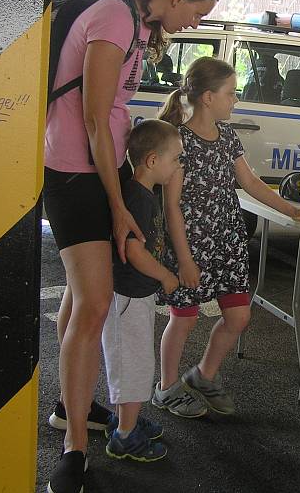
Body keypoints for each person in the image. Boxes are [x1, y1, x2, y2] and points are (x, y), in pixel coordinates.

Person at [44, 0, 220, 493]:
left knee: (80, 302)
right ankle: (75, 448)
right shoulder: (116, 16)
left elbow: (111, 113)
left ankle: (68, 409)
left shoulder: (141, 26)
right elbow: (95, 115)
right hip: (76, 175)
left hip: (101, 169)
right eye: (197, 10)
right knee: (95, 303)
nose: (195, 23)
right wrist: (118, 202)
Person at [155, 57, 300, 418]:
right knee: (183, 318)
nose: (235, 101)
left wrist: (292, 209)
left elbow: (250, 183)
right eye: (231, 93)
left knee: (239, 316)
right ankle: (166, 388)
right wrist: (183, 259)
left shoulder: (228, 136)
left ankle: (203, 375)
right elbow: (171, 207)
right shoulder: (179, 141)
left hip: (227, 242)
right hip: (191, 244)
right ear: (207, 98)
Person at [101, 119, 183, 462]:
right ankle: (124, 435)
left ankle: (126, 421)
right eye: (175, 159)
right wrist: (165, 274)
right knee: (133, 364)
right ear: (152, 161)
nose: (178, 165)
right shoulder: (139, 199)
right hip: (129, 299)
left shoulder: (141, 194)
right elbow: (134, 251)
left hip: (134, 298)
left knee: (132, 362)